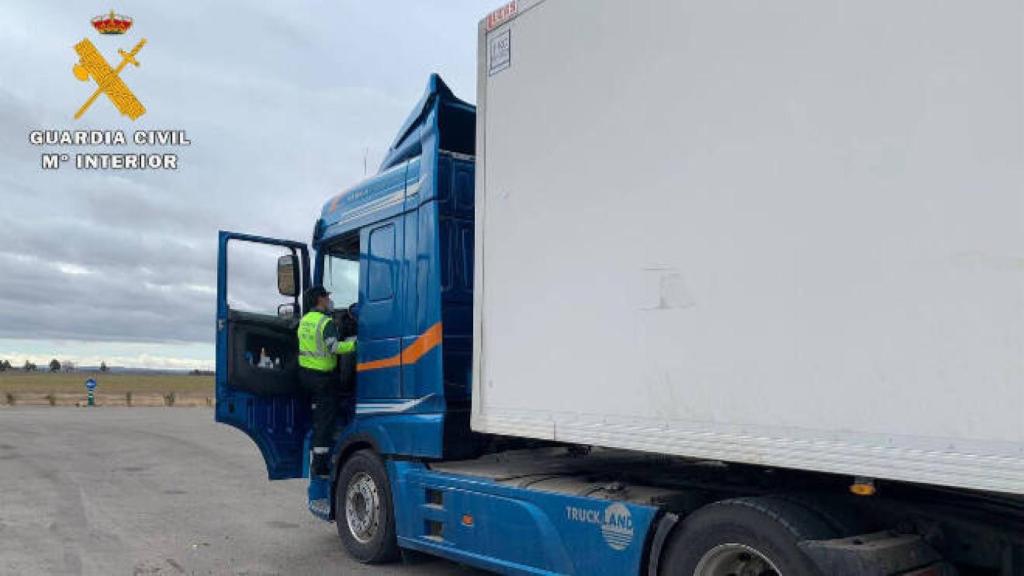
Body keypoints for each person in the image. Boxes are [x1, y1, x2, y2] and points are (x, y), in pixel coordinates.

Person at [297, 285, 356, 476]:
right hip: (323, 379)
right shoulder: (325, 323)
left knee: (317, 417)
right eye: (327, 297)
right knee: (325, 421)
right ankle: (319, 464)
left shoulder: (304, 321)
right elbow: (334, 347)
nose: (329, 300)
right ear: (319, 300)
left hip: (305, 375)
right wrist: (356, 344)